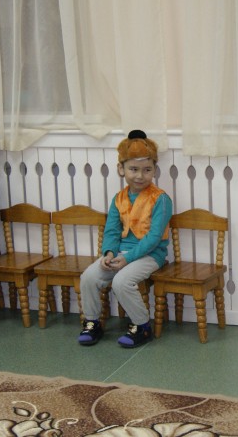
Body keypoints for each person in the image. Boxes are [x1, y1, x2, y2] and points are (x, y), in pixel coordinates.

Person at [77, 129, 171, 349]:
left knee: (122, 281)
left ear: (155, 170)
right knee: (88, 277)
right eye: (134, 169)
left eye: (147, 170)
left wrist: (127, 259)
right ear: (121, 169)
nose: (140, 176)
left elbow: (154, 237)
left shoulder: (161, 199)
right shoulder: (118, 199)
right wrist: (109, 253)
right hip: (121, 253)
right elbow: (111, 230)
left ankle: (142, 326)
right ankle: (92, 322)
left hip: (150, 255)